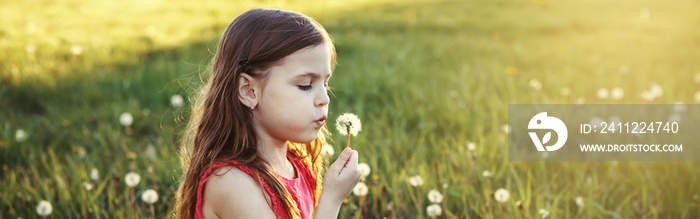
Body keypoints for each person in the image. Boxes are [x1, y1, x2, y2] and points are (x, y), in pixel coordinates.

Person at [175, 8, 362, 219]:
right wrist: (332, 199)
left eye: (325, 84)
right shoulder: (232, 183)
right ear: (249, 91)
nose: (324, 99)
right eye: (305, 85)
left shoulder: (296, 163)